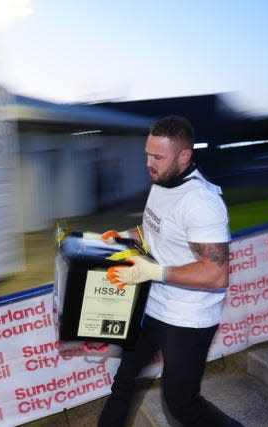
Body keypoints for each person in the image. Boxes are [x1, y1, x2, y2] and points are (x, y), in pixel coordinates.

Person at [98, 115, 234, 426]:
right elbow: (155, 231)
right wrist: (123, 237)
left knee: (181, 405)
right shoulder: (161, 181)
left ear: (184, 156)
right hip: (154, 305)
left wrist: (153, 272)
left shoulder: (201, 202)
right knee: (124, 382)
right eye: (147, 153)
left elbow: (216, 274)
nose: (149, 162)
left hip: (189, 317)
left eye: (158, 156)